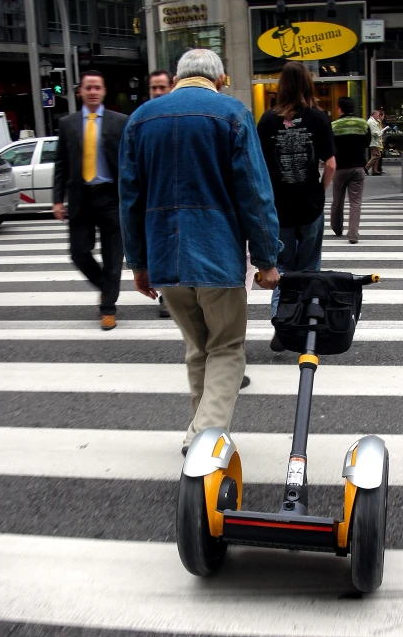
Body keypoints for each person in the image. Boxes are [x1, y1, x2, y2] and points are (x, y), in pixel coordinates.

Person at [119, 49, 281, 456]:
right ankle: (203, 439)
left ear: (176, 78)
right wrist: (265, 259)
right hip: (216, 252)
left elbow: (129, 198)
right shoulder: (232, 114)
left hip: (165, 254)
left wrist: (138, 263)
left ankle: (200, 436)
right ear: (220, 79)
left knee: (197, 346)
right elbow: (255, 195)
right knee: (226, 346)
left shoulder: (140, 119)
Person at [257, 61, 336, 351]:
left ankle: (281, 322)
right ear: (308, 84)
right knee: (309, 269)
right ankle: (304, 329)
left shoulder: (266, 121)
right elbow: (330, 164)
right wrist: (320, 191)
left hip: (279, 209)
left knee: (283, 268)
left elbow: (260, 168)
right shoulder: (318, 118)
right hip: (310, 206)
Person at [53, 70, 128, 331]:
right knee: (78, 252)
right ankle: (106, 287)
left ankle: (108, 308)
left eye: (98, 87)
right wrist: (57, 200)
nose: (93, 91)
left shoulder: (120, 122)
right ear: (80, 92)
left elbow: (128, 162)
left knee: (113, 257)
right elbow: (61, 162)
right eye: (89, 88)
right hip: (80, 197)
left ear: (104, 91)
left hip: (111, 197)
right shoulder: (68, 123)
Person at [147, 69, 173, 319]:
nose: (157, 92)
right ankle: (167, 294)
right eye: (153, 88)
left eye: (161, 87)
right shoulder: (142, 120)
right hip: (154, 198)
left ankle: (172, 295)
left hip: (176, 195)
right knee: (162, 248)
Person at [330, 97, 371, 245]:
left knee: (337, 200)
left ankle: (337, 228)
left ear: (340, 109)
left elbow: (330, 146)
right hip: (358, 167)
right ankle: (353, 234)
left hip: (340, 168)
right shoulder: (363, 124)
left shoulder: (334, 126)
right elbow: (367, 143)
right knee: (355, 202)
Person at [365, 109, 385, 176]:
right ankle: (366, 168)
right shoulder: (371, 122)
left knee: (375, 155)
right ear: (374, 114)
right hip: (373, 141)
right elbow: (374, 132)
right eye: (377, 115)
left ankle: (374, 171)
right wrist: (381, 132)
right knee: (377, 155)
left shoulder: (373, 121)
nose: (378, 116)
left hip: (375, 141)